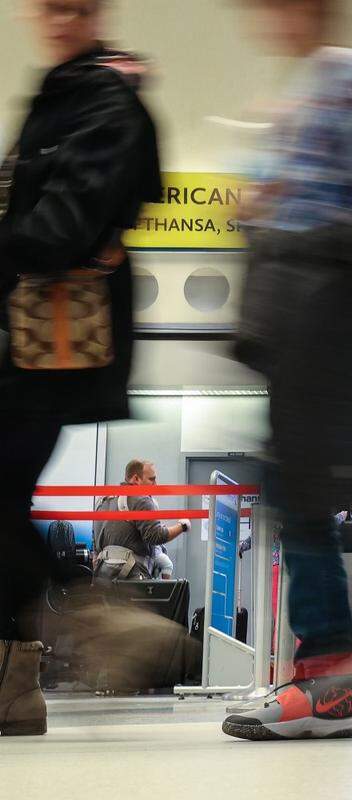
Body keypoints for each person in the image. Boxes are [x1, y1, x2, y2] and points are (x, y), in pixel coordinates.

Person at [221, 0, 352, 742]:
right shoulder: (301, 89)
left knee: (296, 491)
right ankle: (325, 679)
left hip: (319, 316)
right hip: (290, 314)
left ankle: (328, 683)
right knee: (291, 492)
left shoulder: (348, 78)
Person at [0, 0, 161, 737]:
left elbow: (61, 225)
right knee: (5, 494)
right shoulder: (65, 90)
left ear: (96, 11)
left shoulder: (103, 99)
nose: (58, 19)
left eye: (74, 6)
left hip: (56, 342)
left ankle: (92, 618)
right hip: (34, 337)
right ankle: (19, 683)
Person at [93, 460, 190, 581]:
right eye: (151, 479)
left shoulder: (103, 502)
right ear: (136, 479)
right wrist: (183, 526)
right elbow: (156, 536)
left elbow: (95, 550)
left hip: (102, 579)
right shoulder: (141, 499)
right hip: (131, 582)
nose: (155, 484)